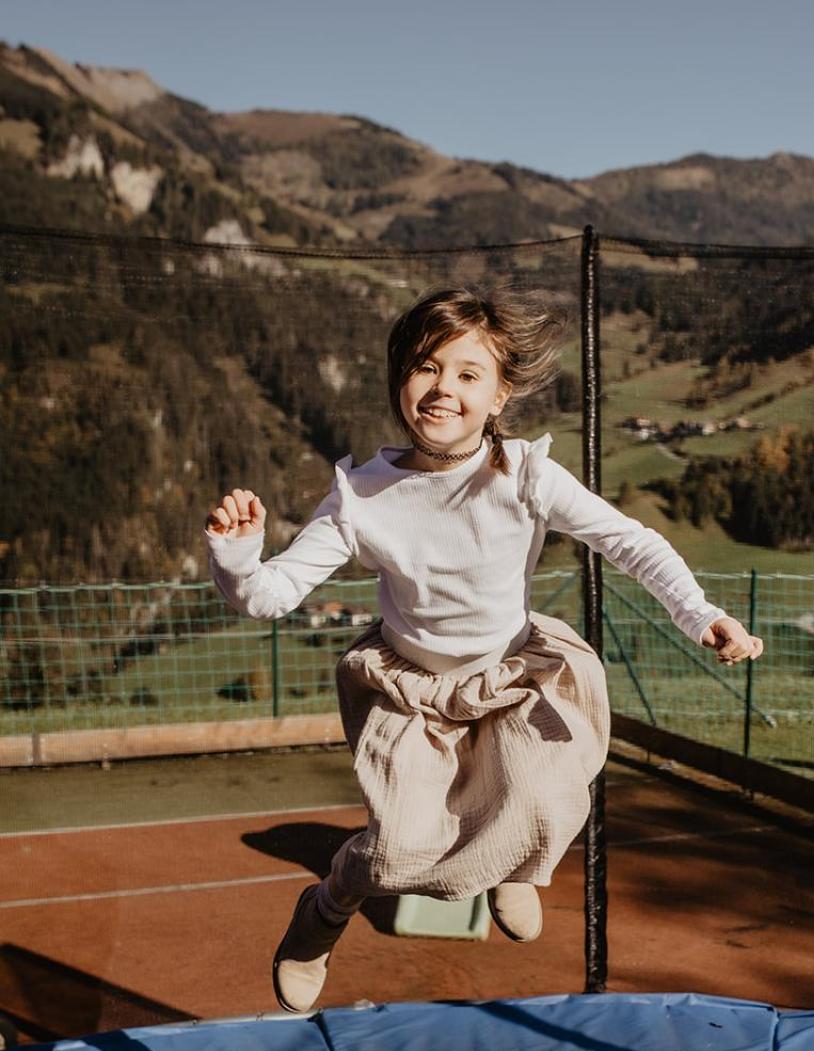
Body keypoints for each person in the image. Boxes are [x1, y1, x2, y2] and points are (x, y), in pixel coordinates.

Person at [204, 286, 763, 1014]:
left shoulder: (526, 475)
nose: (444, 389)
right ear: (400, 380)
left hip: (512, 674)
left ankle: (516, 866)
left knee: (548, 792)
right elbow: (268, 596)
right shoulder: (361, 496)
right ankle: (325, 909)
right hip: (411, 690)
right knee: (396, 852)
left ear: (499, 396)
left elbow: (630, 541)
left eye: (468, 374)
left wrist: (701, 614)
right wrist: (239, 558)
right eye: (426, 368)